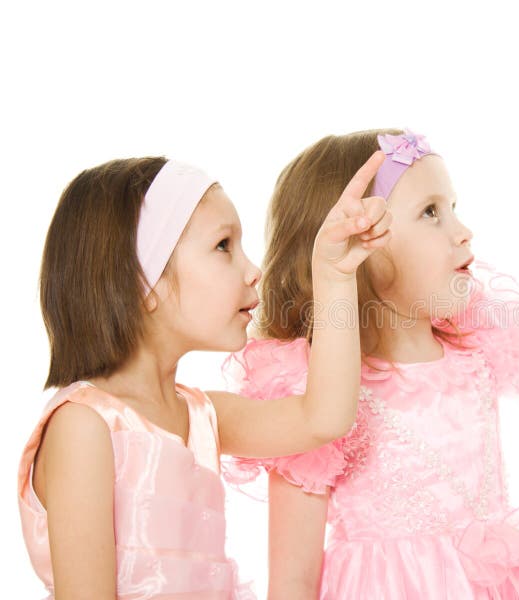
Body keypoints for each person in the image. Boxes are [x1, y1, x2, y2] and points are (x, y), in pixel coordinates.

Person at [223, 28, 519, 599]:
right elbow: (292, 581)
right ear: (360, 245)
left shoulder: (481, 346)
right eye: (431, 213)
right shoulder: (315, 396)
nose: (462, 231)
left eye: (453, 208)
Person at [17, 151, 391, 598]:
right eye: (223, 246)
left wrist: (334, 273)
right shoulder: (84, 427)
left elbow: (323, 418)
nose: (254, 271)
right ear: (144, 281)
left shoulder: (203, 416)